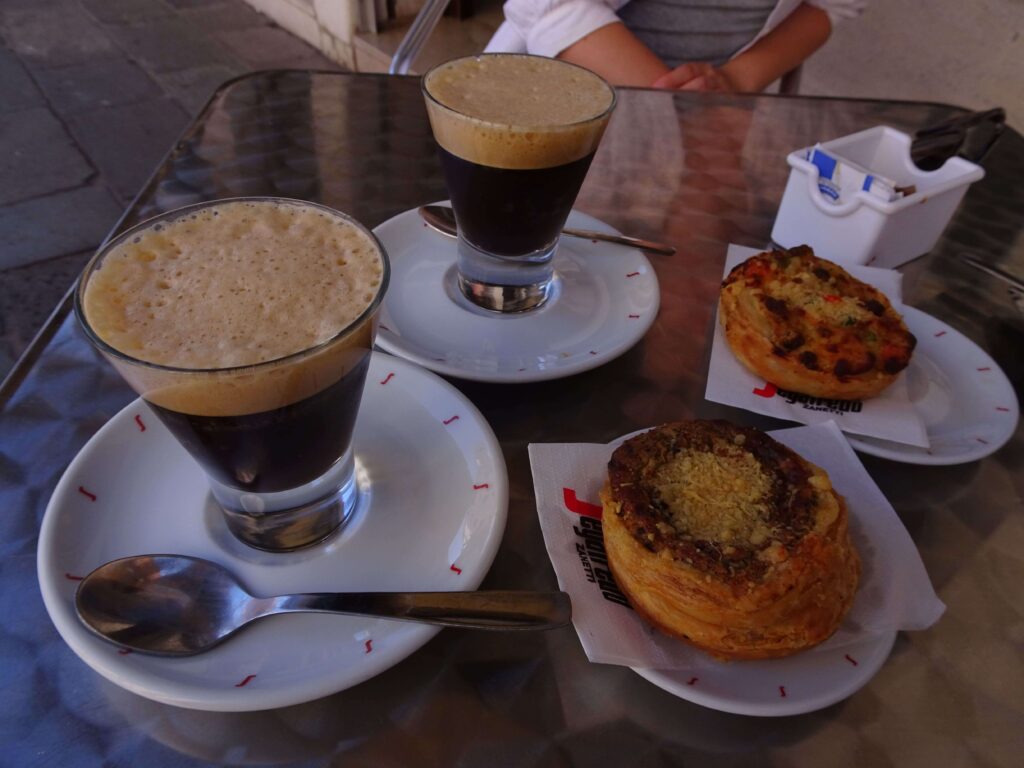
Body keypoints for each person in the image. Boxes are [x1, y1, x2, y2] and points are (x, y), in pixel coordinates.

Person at [484, 0, 865, 91]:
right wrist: (676, 109)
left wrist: (733, 81)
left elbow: (831, 5)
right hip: (559, 84)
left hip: (717, 103)